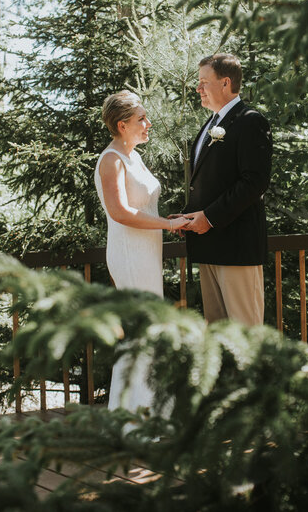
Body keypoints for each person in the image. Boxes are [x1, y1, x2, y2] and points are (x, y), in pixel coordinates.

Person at [94, 90, 190, 412]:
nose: (148, 123)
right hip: (129, 253)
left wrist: (166, 220)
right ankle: (132, 419)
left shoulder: (134, 156)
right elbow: (120, 213)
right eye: (141, 119)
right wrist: (166, 225)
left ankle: (151, 412)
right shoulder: (111, 160)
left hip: (147, 253)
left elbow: (142, 206)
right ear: (122, 125)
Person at [182, 53, 273, 325]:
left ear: (225, 83)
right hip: (209, 247)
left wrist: (209, 218)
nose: (198, 89)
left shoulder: (250, 120)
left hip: (236, 248)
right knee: (219, 335)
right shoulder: (210, 125)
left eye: (203, 82)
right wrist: (189, 216)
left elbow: (254, 182)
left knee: (245, 333)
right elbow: (210, 182)